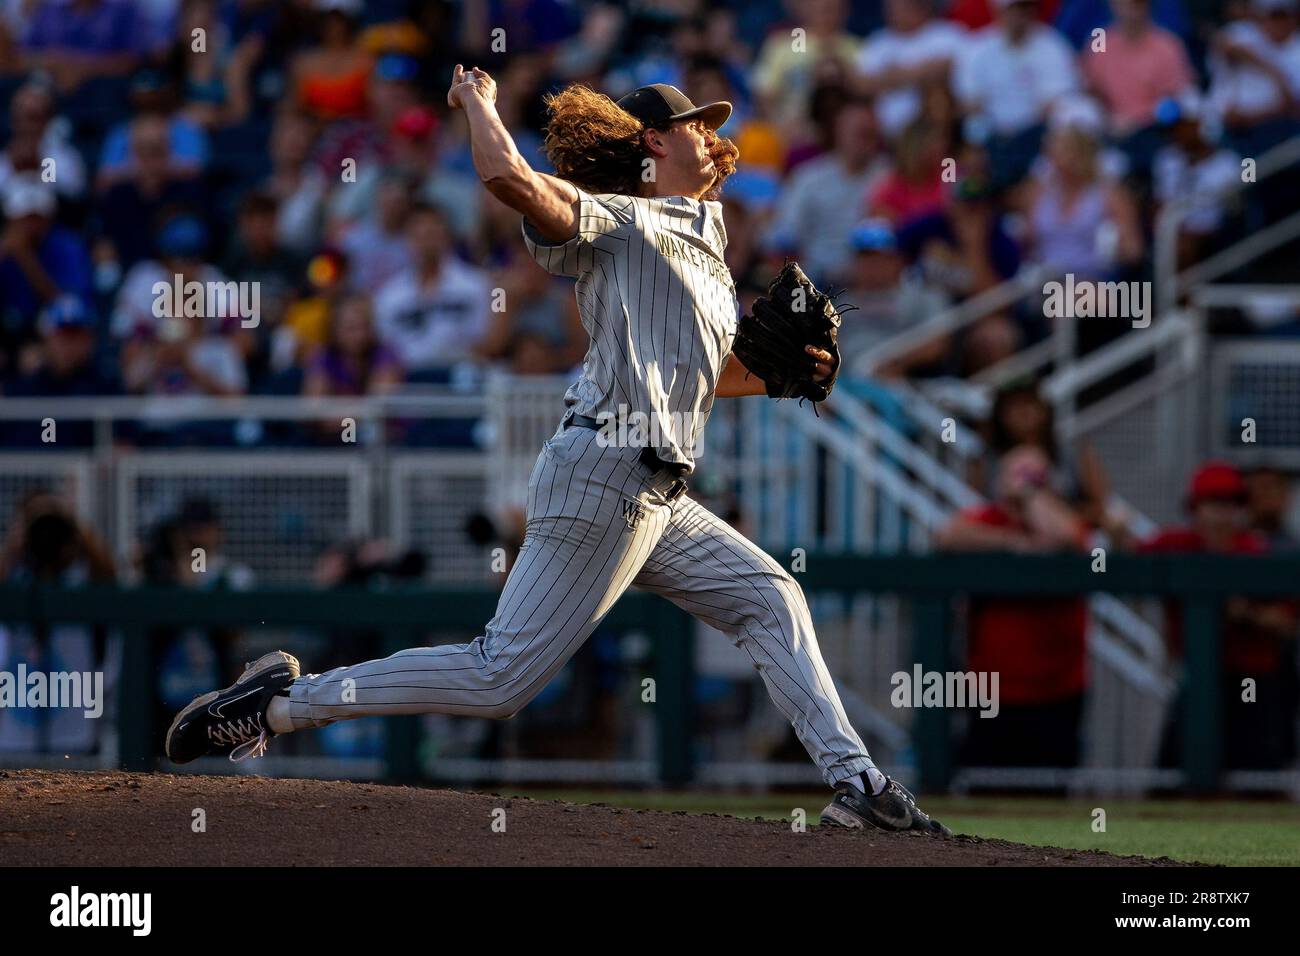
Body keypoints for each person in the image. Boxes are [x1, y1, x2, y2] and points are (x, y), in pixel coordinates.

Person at [165, 67, 951, 837]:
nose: (713, 135)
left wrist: (774, 376)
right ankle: (276, 704)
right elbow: (507, 176)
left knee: (771, 599)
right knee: (498, 677)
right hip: (604, 475)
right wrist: (478, 101)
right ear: (653, 141)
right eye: (695, 124)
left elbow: (699, 379)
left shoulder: (701, 244)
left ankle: (860, 786)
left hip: (656, 494)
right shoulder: (621, 220)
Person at [936, 444, 1090, 769]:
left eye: (1034, 476)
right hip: (993, 690)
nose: (1023, 483)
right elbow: (947, 536)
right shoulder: (989, 519)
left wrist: (1032, 498)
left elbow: (1067, 537)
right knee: (988, 787)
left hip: (1058, 689)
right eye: (1016, 475)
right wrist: (1016, 543)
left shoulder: (1060, 515)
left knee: (1051, 792)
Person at [1140, 462, 1299, 771]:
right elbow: (1129, 559)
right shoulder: (1176, 545)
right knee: (1174, 778)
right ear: (1195, 509)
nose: (1221, 515)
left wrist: (1247, 612)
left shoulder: (1255, 551)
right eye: (1213, 504)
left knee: (1257, 780)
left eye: (1229, 505)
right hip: (1197, 679)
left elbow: (1288, 622)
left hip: (1252, 682)